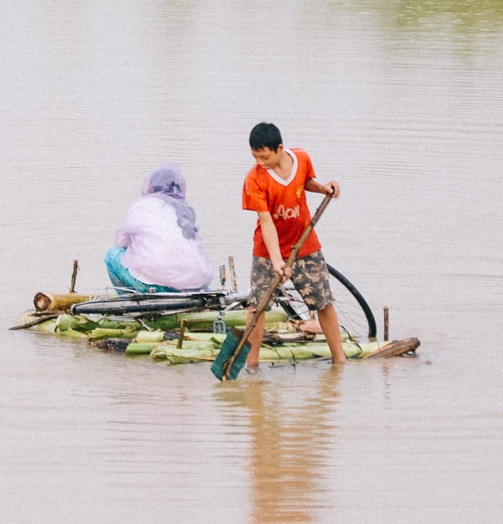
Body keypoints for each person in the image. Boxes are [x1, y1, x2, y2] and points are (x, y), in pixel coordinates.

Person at [240, 122, 344, 368]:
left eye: (265, 156)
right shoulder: (254, 179)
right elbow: (266, 222)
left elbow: (305, 182)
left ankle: (340, 361)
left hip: (305, 245)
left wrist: (322, 189)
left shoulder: (302, 158)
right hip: (267, 251)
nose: (261, 162)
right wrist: (277, 261)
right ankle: (251, 366)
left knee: (323, 303)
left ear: (279, 148)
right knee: (257, 307)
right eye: (256, 157)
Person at [106, 165, 215, 293]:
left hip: (156, 286)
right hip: (196, 285)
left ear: (151, 187)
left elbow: (121, 242)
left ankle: (127, 305)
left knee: (111, 255)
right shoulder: (185, 209)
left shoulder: (142, 205)